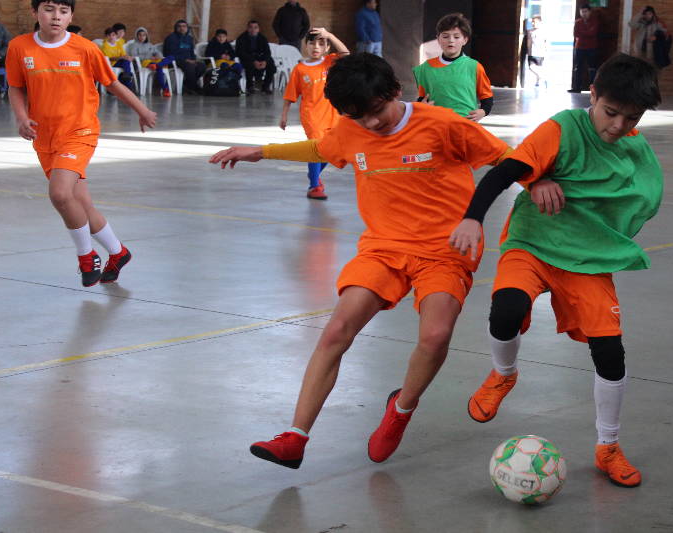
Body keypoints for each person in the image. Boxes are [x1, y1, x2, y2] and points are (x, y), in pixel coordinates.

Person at [208, 53, 510, 469]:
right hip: (383, 247)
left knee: (435, 335)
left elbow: (507, 160)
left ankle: (400, 410)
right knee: (336, 329)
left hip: (444, 249)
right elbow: (322, 146)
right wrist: (261, 151)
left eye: (375, 112)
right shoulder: (352, 128)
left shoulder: (443, 124)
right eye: (357, 117)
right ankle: (295, 437)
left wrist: (537, 184)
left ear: (394, 92)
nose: (369, 124)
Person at [449, 54, 663, 488]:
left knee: (610, 353)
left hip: (585, 256)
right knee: (505, 311)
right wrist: (475, 216)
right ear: (594, 96)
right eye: (611, 112)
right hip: (532, 242)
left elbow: (640, 196)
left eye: (631, 117)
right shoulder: (563, 129)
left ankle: (608, 446)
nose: (618, 126)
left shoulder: (634, 149)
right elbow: (504, 173)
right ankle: (503, 375)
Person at [6, 0, 157, 287]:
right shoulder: (19, 47)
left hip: (80, 132)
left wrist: (142, 110)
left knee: (61, 195)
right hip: (44, 136)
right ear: (34, 12)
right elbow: (16, 86)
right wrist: (22, 118)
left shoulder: (85, 48)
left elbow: (112, 83)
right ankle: (118, 252)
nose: (56, 17)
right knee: (80, 203)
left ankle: (86, 257)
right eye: (49, 9)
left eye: (63, 11)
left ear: (71, 15)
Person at [280, 28, 349, 200]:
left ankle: (314, 174)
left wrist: (331, 35)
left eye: (321, 43)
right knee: (317, 148)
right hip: (312, 116)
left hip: (333, 114)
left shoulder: (330, 62)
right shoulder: (299, 69)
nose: (316, 47)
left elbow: (347, 54)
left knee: (335, 151)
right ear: (306, 46)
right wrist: (284, 115)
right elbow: (290, 94)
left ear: (327, 47)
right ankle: (314, 186)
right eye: (312, 43)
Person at [412, 13, 493, 122]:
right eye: (445, 36)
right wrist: (421, 106)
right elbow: (422, 98)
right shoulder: (426, 68)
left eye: (456, 36)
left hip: (465, 124)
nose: (451, 40)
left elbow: (487, 98)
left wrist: (482, 112)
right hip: (436, 124)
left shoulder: (474, 67)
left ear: (465, 40)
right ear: (438, 39)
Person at [127, 27, 174, 97]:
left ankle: (158, 65)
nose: (142, 37)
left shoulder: (149, 44)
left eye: (144, 35)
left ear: (146, 36)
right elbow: (135, 57)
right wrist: (149, 56)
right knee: (159, 67)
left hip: (154, 62)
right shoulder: (133, 45)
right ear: (137, 36)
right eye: (140, 35)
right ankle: (165, 89)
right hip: (145, 63)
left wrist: (158, 56)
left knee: (171, 57)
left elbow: (157, 52)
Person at [163, 19, 205, 94]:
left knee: (201, 66)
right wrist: (186, 60)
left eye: (184, 26)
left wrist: (194, 60)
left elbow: (192, 52)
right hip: (175, 61)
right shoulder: (171, 38)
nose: (182, 28)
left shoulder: (189, 38)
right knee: (190, 67)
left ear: (187, 28)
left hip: (188, 61)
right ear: (176, 28)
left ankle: (188, 84)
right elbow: (170, 53)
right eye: (179, 26)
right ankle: (193, 87)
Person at [235, 20, 277, 94]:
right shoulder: (241, 38)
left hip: (260, 57)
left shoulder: (262, 38)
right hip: (247, 58)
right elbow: (240, 52)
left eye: (255, 27)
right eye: (251, 27)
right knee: (249, 65)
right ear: (247, 28)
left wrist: (265, 61)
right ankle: (250, 86)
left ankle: (265, 86)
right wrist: (254, 61)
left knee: (271, 65)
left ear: (258, 29)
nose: (253, 30)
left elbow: (267, 52)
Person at [569, 3, 599, 93]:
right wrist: (586, 32)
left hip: (591, 47)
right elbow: (576, 34)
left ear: (590, 12)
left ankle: (593, 89)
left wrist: (583, 33)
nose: (584, 13)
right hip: (579, 48)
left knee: (592, 69)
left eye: (585, 11)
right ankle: (576, 88)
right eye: (582, 12)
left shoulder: (595, 21)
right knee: (578, 68)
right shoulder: (578, 22)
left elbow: (593, 33)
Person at [100, 26, 135, 91]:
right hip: (111, 64)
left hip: (120, 62)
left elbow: (123, 54)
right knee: (125, 62)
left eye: (113, 35)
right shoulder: (105, 46)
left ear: (116, 36)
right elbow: (109, 59)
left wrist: (128, 57)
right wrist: (121, 57)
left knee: (126, 61)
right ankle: (128, 79)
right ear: (106, 36)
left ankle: (126, 77)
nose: (111, 37)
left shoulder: (118, 44)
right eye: (109, 35)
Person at [526, 14, 547, 88]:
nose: (533, 23)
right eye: (532, 22)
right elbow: (528, 41)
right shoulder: (530, 31)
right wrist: (527, 51)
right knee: (531, 67)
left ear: (540, 22)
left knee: (538, 68)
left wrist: (546, 51)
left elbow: (546, 42)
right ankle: (543, 78)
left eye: (534, 22)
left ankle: (538, 82)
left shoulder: (543, 31)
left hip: (540, 53)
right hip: (531, 53)